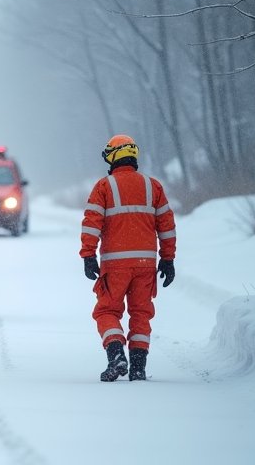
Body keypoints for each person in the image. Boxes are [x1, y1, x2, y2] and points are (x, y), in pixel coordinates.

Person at [80, 135, 176, 382]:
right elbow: (166, 225)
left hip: (115, 265)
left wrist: (88, 255)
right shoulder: (152, 186)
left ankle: (115, 355)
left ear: (112, 157)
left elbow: (92, 224)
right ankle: (138, 368)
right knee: (141, 314)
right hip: (146, 265)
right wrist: (168, 259)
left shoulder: (105, 186)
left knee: (106, 310)